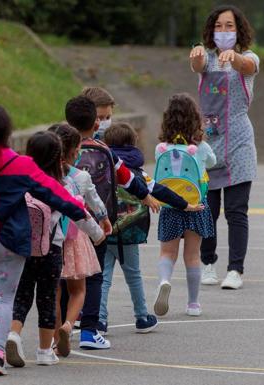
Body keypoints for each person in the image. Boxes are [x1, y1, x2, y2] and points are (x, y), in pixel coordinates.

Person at [0, 103, 89, 376]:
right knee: (3, 298)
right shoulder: (19, 163)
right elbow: (54, 192)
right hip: (10, 242)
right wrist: (83, 216)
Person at [65, 95, 160, 350]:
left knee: (64, 276)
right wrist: (146, 196)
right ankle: (90, 331)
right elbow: (127, 178)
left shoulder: (58, 146)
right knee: (95, 275)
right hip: (96, 223)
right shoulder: (104, 150)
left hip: (63, 224)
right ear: (95, 124)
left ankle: (59, 327)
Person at [6, 131, 105, 368]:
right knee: (48, 298)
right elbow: (77, 211)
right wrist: (97, 234)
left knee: (23, 294)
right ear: (58, 157)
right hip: (51, 248)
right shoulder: (63, 183)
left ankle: (13, 334)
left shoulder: (20, 180)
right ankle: (43, 351)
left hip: (25, 248)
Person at [101, 122, 203, 334]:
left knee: (104, 276)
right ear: (133, 144)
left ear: (107, 144)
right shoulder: (137, 173)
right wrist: (186, 204)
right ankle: (141, 317)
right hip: (131, 231)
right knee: (134, 275)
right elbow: (160, 191)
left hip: (105, 229)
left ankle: (99, 320)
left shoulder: (103, 170)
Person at [190, 5, 260, 290]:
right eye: (218, 26)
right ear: (211, 30)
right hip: (208, 141)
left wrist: (236, 59)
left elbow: (248, 67)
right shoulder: (205, 57)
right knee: (207, 209)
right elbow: (198, 67)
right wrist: (196, 57)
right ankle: (208, 263)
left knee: (236, 211)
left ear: (239, 30)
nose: (223, 31)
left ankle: (235, 270)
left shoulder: (250, 58)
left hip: (239, 142)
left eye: (229, 26)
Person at [152, 93, 216, 318]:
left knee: (167, 252)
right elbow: (213, 162)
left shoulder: (161, 149)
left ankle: (164, 280)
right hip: (195, 205)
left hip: (170, 206)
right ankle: (193, 303)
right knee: (192, 256)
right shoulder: (200, 147)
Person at [47, 123, 105, 357]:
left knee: (55, 292)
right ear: (74, 152)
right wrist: (104, 219)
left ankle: (52, 338)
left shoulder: (43, 175)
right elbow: (94, 201)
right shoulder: (80, 176)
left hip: (50, 239)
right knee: (78, 289)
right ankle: (68, 327)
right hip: (76, 236)